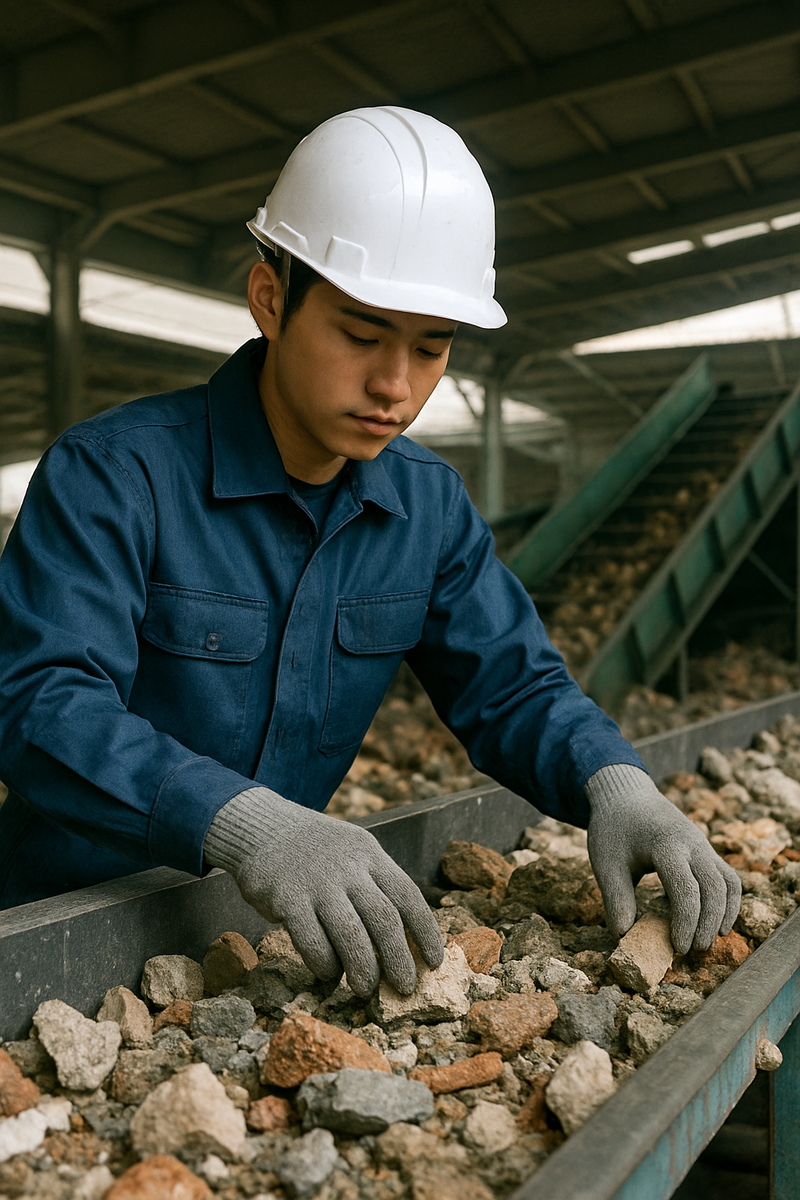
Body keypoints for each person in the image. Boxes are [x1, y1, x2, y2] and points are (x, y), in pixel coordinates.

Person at [0, 106, 740, 997]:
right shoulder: (116, 474)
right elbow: (41, 704)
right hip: (52, 943)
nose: (395, 384)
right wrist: (245, 825)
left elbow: (514, 685)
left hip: (264, 940)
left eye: (431, 349)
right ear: (272, 300)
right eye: (360, 335)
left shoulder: (425, 506)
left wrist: (616, 784)